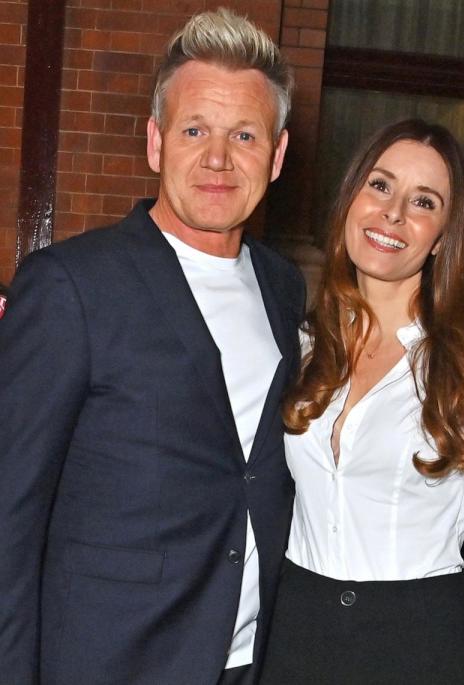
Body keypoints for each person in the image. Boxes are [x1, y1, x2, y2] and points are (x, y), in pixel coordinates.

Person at [0, 9, 303, 685]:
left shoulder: (285, 290)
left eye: (244, 135)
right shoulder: (71, 287)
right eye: (195, 129)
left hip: (250, 665)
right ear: (155, 141)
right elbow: (8, 518)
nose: (218, 158)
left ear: (276, 155)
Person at [259, 119, 464, 685]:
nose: (393, 213)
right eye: (380, 186)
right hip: (295, 634)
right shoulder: (300, 341)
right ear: (351, 198)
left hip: (420, 646)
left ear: (444, 235)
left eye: (423, 202)